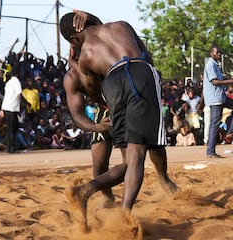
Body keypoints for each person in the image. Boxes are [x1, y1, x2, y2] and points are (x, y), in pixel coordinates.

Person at [60, 10, 178, 231]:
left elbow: (92, 88)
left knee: (130, 160)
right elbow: (145, 56)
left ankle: (87, 191)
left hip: (112, 86)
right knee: (136, 156)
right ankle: (123, 213)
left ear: (73, 40)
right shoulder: (121, 26)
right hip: (137, 75)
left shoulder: (84, 57)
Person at [203, 45, 233, 158]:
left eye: (220, 52)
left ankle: (230, 131)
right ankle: (210, 151)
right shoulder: (210, 65)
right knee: (215, 124)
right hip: (215, 99)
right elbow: (215, 81)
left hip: (221, 96)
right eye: (217, 52)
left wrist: (231, 79)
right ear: (211, 53)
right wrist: (232, 81)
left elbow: (221, 78)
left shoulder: (216, 65)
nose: (219, 54)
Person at [0, 66, 29, 153]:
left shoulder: (8, 83)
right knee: (12, 129)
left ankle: (5, 143)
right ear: (18, 74)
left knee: (12, 128)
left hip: (8, 107)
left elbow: (6, 97)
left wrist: (2, 109)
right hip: (12, 108)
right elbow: (19, 94)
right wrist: (26, 103)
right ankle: (10, 148)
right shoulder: (16, 82)